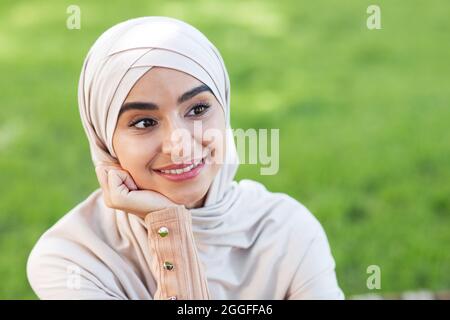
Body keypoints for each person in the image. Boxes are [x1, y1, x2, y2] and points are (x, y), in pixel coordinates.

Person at [27, 16, 344, 300]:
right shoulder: (71, 259)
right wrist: (169, 228)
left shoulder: (287, 230)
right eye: (144, 122)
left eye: (198, 109)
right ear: (104, 142)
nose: (179, 144)